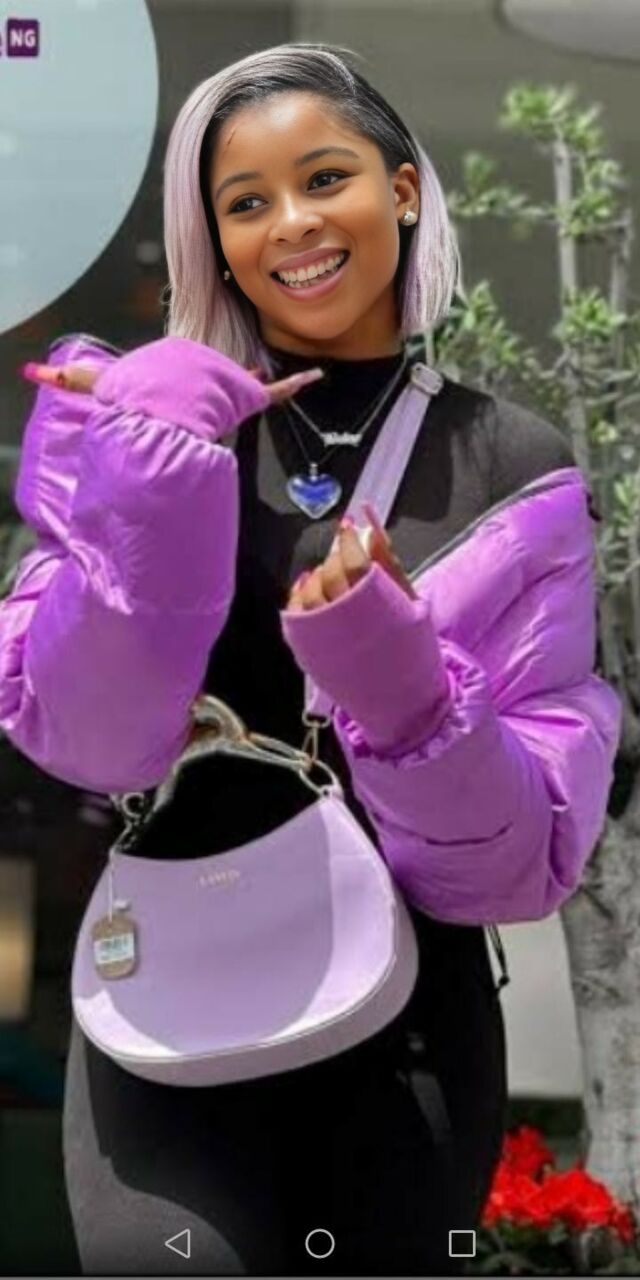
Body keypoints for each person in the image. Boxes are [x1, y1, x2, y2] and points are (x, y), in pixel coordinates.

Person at [0, 41, 621, 1278]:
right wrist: (149, 472)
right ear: (216, 241)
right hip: (162, 997)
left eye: (324, 178)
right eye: (246, 202)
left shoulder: (510, 463)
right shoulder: (131, 416)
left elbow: (518, 858)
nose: (291, 223)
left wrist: (391, 669)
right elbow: (84, 739)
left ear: (402, 189)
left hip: (406, 1024)